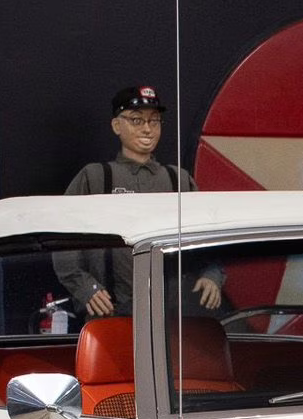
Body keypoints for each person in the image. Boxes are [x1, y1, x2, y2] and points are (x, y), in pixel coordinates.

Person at [52, 85, 223, 317]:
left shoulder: (178, 180)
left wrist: (211, 274)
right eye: (136, 120)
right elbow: (61, 235)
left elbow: (208, 235)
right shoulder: (96, 177)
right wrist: (85, 287)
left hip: (171, 315)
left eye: (154, 121)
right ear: (116, 125)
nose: (147, 129)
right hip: (110, 311)